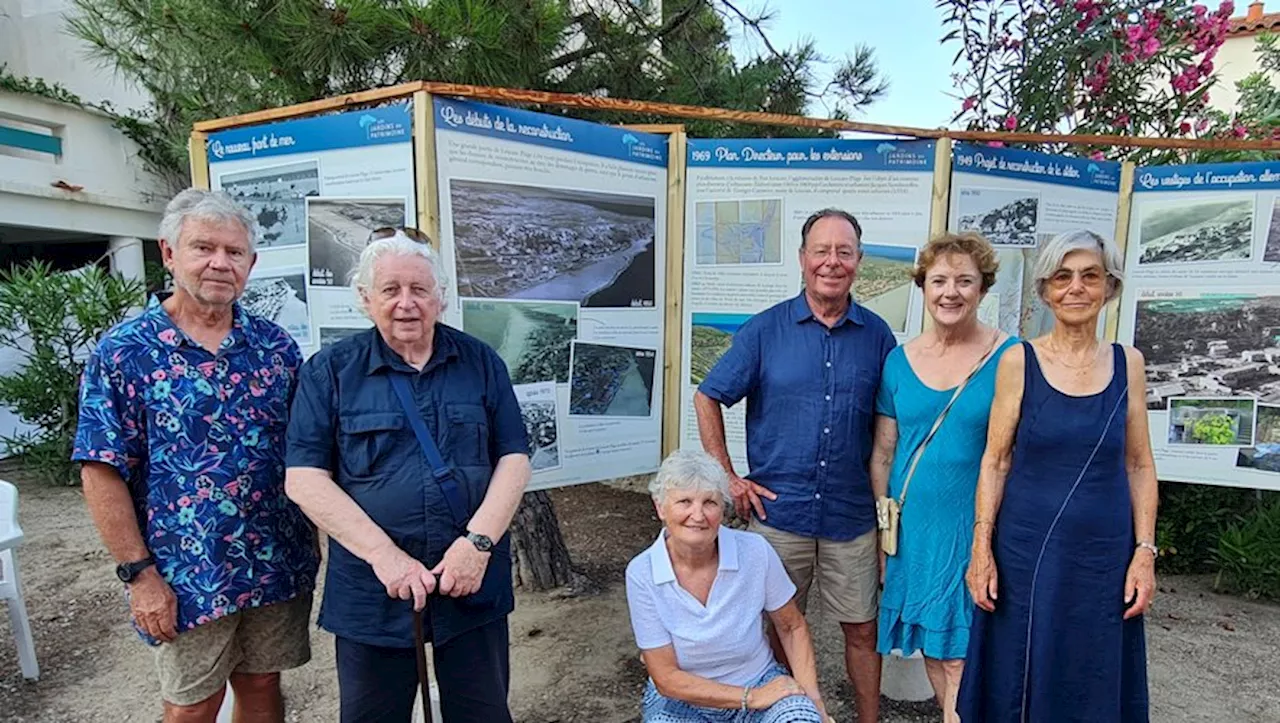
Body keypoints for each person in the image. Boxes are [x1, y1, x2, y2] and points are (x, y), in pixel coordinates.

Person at [72, 188, 320, 722]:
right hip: (185, 570)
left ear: (250, 264)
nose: (219, 263)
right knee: (193, 704)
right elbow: (100, 469)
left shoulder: (275, 348)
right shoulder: (125, 352)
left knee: (261, 682)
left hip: (275, 560)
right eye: (204, 248)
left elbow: (307, 451)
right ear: (168, 253)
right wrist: (140, 576)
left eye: (234, 253)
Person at [283, 227, 531, 723]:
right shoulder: (330, 371)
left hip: (470, 579)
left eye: (419, 290)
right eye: (391, 290)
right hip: (374, 590)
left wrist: (476, 545)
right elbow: (304, 478)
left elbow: (515, 458)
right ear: (365, 298)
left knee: (482, 715)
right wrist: (386, 558)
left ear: (439, 298)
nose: (406, 303)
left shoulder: (480, 362)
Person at [694, 208, 897, 722]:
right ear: (803, 259)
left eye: (844, 251)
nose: (832, 261)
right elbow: (708, 395)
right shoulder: (765, 331)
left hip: (851, 517)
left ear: (858, 261)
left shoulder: (878, 337)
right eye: (821, 251)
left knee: (862, 630)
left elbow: (890, 427)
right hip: (780, 516)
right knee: (780, 626)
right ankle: (796, 716)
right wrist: (727, 477)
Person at [958, 229, 1158, 722]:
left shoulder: (1129, 363)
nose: (1076, 288)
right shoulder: (1018, 361)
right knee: (1020, 673)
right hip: (1027, 554)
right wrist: (981, 549)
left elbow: (1139, 464)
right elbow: (996, 460)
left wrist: (1145, 553)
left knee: (1093, 671)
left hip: (1104, 556)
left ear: (1109, 287)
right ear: (1045, 290)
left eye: (1090, 276)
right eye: (1062, 277)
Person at [868, 232, 1015, 723]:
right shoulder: (898, 361)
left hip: (976, 528)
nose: (951, 292)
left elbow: (1016, 453)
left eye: (965, 281)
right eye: (939, 281)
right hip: (915, 531)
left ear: (983, 289)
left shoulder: (1009, 358)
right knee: (936, 646)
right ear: (923, 287)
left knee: (963, 653)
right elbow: (884, 454)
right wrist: (884, 534)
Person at [625, 448, 828, 722]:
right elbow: (666, 678)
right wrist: (750, 698)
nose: (698, 515)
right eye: (684, 501)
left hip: (759, 679)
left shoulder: (754, 550)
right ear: (660, 507)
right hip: (683, 700)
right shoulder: (642, 572)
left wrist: (813, 701)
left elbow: (792, 627)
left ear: (723, 508)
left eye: (710, 502)